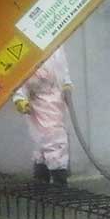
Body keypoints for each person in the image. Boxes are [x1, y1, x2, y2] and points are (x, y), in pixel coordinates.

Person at [13, 46, 73, 186]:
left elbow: (63, 68)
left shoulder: (56, 46)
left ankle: (45, 179)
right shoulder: (26, 47)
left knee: (48, 140)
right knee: (50, 139)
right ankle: (56, 180)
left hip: (57, 99)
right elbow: (18, 76)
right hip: (38, 99)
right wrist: (20, 97)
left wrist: (67, 83)